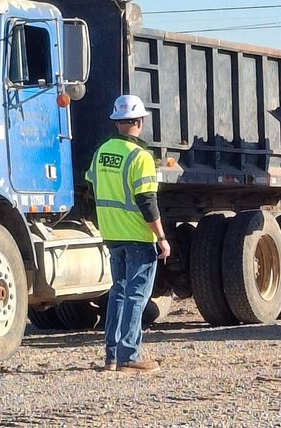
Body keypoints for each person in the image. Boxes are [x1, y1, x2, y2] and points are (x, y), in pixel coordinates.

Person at [85, 94, 171, 373]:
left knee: (118, 293)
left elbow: (90, 190)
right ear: (138, 122)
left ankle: (111, 356)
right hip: (137, 235)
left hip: (112, 234)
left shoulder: (101, 153)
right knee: (136, 295)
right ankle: (129, 356)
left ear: (117, 122)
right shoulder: (140, 156)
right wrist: (161, 237)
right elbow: (147, 201)